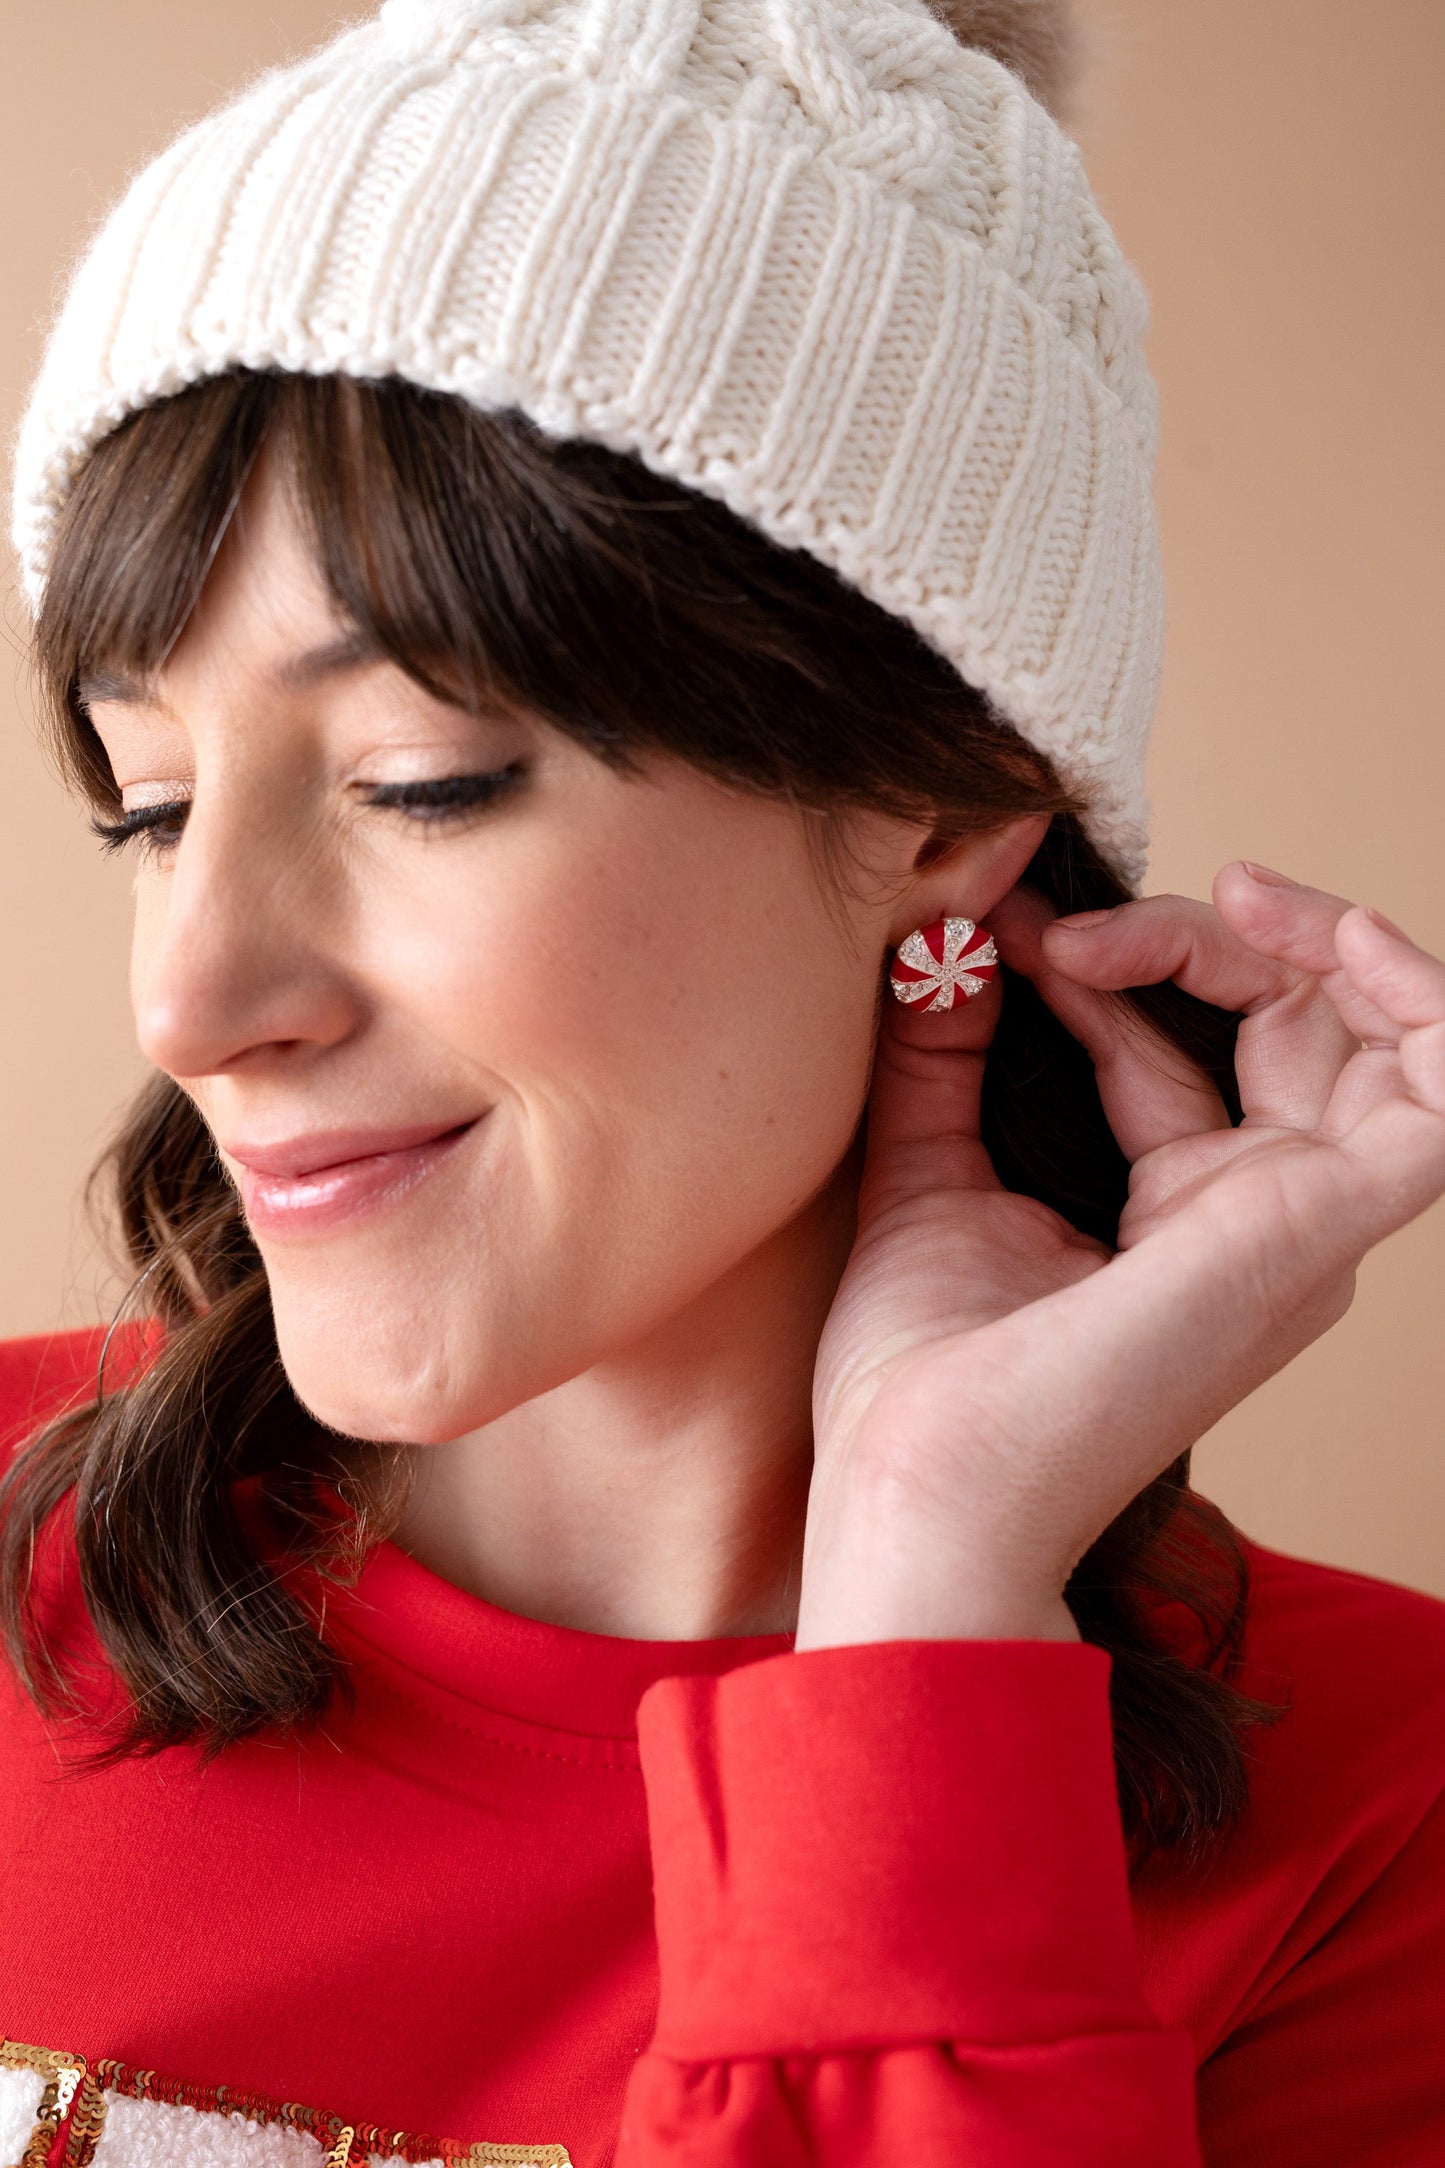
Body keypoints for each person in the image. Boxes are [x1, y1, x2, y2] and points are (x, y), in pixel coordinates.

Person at [1, 1, 1442, 2161]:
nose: (192, 1000)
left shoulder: (1384, 1827)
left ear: (943, 802)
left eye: (420, 780)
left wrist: (928, 1601)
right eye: (152, 807)